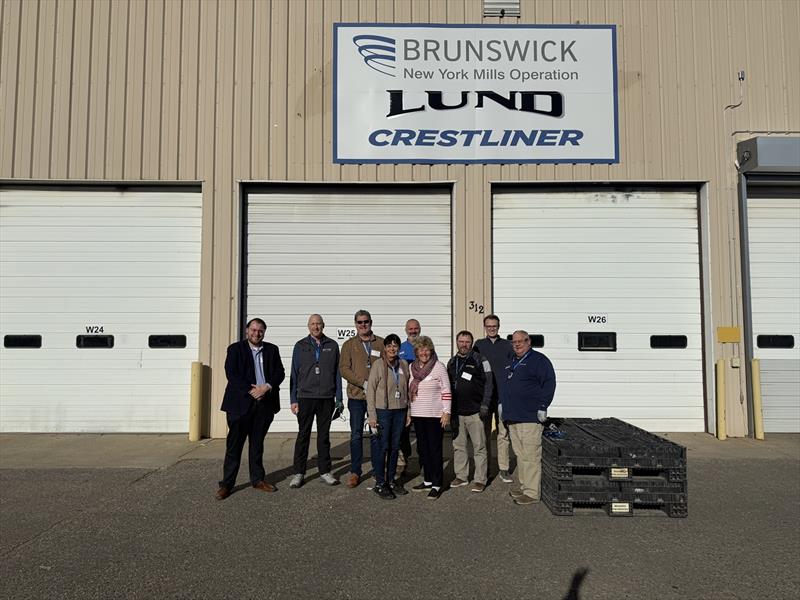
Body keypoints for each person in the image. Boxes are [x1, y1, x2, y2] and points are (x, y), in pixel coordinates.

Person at [217, 318, 285, 500]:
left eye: (260, 330)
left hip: (264, 405)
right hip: (240, 406)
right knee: (234, 447)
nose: (257, 333)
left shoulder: (272, 349)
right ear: (247, 330)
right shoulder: (235, 349)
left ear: (264, 332)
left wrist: (267, 387)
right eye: (253, 330)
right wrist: (252, 389)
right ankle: (227, 484)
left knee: (257, 445)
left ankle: (258, 480)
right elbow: (232, 374)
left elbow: (280, 372)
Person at [500, 330, 556, 506]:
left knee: (531, 455)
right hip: (513, 417)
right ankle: (524, 487)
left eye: (521, 341)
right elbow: (506, 385)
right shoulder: (513, 362)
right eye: (514, 342)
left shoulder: (538, 360)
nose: (517, 344)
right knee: (520, 455)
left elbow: (549, 382)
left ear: (528, 342)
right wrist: (502, 404)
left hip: (530, 416)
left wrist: (543, 406)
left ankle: (532, 493)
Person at [288, 314, 342, 489]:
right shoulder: (300, 346)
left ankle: (325, 471)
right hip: (305, 397)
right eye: (313, 324)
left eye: (318, 324)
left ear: (323, 325)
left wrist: (339, 399)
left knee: (323, 436)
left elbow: (337, 375)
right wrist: (293, 399)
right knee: (303, 435)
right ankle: (298, 473)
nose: (316, 327)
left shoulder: (332, 346)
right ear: (308, 326)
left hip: (326, 398)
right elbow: (294, 374)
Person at [339, 309, 384, 488]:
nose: (363, 325)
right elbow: (343, 368)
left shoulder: (380, 343)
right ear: (355, 324)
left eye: (366, 321)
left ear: (371, 322)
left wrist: (375, 385)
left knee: (375, 433)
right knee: (356, 434)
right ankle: (355, 471)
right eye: (359, 322)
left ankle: (377, 469)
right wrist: (362, 382)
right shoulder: (349, 345)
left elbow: (386, 367)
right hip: (356, 397)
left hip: (376, 398)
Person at [446, 330, 493, 493]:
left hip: (475, 411)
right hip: (457, 412)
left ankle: (480, 479)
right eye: (461, 341)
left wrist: (485, 404)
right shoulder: (452, 362)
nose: (464, 344)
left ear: (471, 343)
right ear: (457, 342)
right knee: (459, 446)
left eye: (467, 342)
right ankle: (461, 476)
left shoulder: (481, 360)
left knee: (479, 447)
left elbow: (489, 383)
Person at [366, 333, 411, 500]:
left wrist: (408, 412)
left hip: (400, 411)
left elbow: (407, 390)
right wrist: (372, 415)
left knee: (394, 447)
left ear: (399, 348)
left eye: (395, 345)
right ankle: (380, 483)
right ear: (384, 348)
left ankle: (391, 480)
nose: (393, 348)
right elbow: (370, 391)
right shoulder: (378, 365)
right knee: (382, 447)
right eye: (389, 345)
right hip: (383, 411)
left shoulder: (404, 364)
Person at [408, 335, 451, 500]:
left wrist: (446, 412)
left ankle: (437, 483)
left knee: (435, 450)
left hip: (434, 415)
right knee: (423, 450)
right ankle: (427, 480)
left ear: (431, 350)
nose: (424, 352)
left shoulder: (439, 366)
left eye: (427, 349)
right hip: (418, 415)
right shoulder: (412, 367)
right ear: (416, 351)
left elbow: (446, 390)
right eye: (421, 349)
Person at [474, 314, 515, 483]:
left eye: (494, 326)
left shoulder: (507, 345)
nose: (492, 328)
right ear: (485, 327)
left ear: (499, 327)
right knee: (483, 434)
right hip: (485, 396)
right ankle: (486, 467)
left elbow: (513, 368)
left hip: (502, 396)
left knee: (503, 432)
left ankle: (504, 468)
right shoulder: (478, 345)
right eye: (489, 326)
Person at [397, 318, 421, 477]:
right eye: (410, 329)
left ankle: (423, 463)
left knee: (421, 432)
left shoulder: (425, 347)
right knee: (402, 432)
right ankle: (403, 462)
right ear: (406, 330)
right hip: (404, 397)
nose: (413, 331)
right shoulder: (400, 348)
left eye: (416, 328)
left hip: (421, 397)